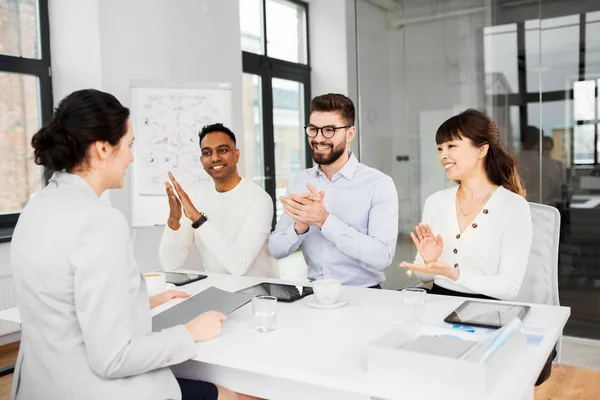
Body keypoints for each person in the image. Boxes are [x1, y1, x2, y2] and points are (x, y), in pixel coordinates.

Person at [10, 89, 255, 400]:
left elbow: (62, 300)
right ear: (102, 148)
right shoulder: (99, 221)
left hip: (39, 386)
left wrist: (140, 302)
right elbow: (114, 358)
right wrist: (190, 332)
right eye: (129, 145)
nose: (131, 157)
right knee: (241, 396)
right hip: (93, 390)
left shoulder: (38, 207)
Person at [400, 109, 532, 301]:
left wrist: (455, 275)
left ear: (482, 149)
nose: (443, 155)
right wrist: (430, 261)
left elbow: (509, 287)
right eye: (439, 148)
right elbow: (425, 278)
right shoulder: (435, 202)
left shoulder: (513, 206)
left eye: (451, 146)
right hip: (437, 305)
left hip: (486, 312)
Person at [269, 93, 398, 288]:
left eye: (329, 130)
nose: (318, 138)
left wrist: (323, 220)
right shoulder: (299, 181)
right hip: (315, 295)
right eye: (313, 129)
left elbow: (383, 257)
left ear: (350, 133)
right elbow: (276, 249)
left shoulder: (379, 184)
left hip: (366, 296)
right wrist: (300, 226)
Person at [159, 123, 278, 278]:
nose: (215, 158)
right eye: (207, 153)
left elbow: (239, 266)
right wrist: (173, 222)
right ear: (201, 160)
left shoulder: (259, 199)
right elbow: (170, 263)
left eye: (222, 150)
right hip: (217, 292)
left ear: (236, 155)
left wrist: (198, 219)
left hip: (258, 294)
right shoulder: (196, 197)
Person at [517, 126, 566, 206]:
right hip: (544, 210)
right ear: (539, 143)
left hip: (517, 211)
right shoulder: (552, 165)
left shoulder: (510, 163)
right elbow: (557, 192)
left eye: (547, 149)